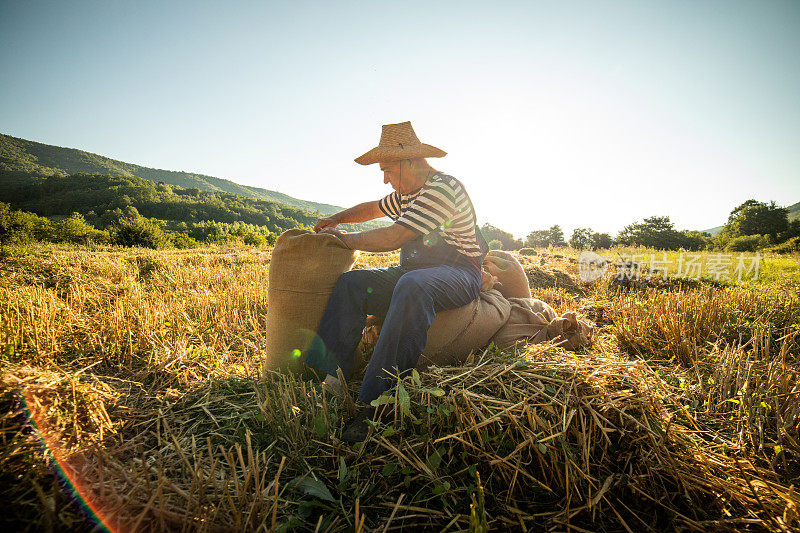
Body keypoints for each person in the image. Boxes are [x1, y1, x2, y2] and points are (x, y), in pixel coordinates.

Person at [305, 121, 488, 441]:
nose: (385, 179)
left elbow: (395, 236)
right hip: (415, 272)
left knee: (413, 285)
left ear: (411, 162)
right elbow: (372, 208)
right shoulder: (406, 194)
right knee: (352, 284)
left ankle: (375, 403)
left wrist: (345, 240)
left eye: (387, 170)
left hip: (459, 273)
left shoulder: (443, 188)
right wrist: (337, 218)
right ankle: (329, 380)